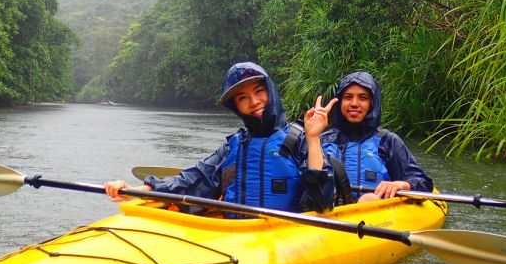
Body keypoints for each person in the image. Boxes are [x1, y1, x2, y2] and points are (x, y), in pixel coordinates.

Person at [105, 62, 336, 214]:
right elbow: (194, 179)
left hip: (284, 236)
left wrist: (314, 137)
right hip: (235, 238)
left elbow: (321, 201)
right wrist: (136, 189)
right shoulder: (233, 147)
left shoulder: (300, 140)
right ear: (236, 107)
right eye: (243, 98)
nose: (254, 102)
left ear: (270, 91)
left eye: (259, 92)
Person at [321, 71, 433, 203]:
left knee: (368, 199)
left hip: (374, 213)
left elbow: (423, 182)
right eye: (348, 97)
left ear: (372, 104)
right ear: (339, 103)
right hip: (329, 214)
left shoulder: (388, 141)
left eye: (363, 98)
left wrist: (400, 185)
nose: (354, 103)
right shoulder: (322, 140)